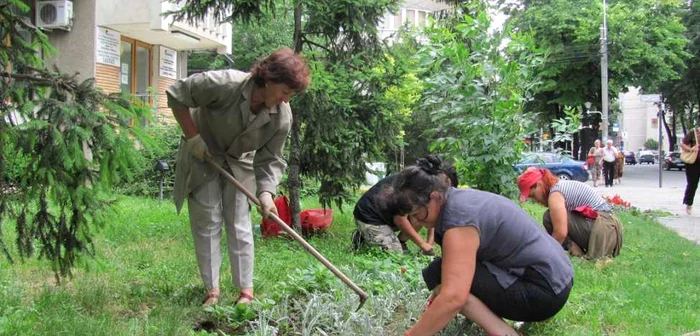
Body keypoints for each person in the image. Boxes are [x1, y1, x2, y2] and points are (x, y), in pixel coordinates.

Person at [167, 47, 311, 306]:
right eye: (285, 92)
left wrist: (266, 194)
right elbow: (177, 95)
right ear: (268, 80)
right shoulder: (224, 84)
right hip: (203, 153)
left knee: (239, 223)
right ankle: (212, 291)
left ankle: (245, 291)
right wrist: (193, 138)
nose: (287, 100)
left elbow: (271, 158)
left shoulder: (282, 115)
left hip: (237, 161)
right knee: (208, 220)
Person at [394, 157, 573, 336]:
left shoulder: (459, 222)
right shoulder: (460, 200)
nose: (416, 221)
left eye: (417, 214)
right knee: (444, 271)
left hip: (545, 292)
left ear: (434, 197)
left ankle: (505, 333)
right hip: (558, 279)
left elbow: (454, 297)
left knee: (444, 281)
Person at [352, 160, 458, 254]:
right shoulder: (416, 186)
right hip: (371, 217)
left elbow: (431, 216)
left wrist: (429, 244)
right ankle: (364, 236)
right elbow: (400, 219)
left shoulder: (431, 187)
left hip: (390, 216)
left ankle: (400, 242)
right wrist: (423, 245)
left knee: (421, 216)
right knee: (395, 255)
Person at [518, 167, 623, 259]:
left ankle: (577, 254)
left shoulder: (555, 194)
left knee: (548, 217)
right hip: (609, 230)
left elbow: (560, 233)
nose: (535, 201)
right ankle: (578, 255)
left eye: (533, 196)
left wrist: (544, 256)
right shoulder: (558, 187)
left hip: (605, 230)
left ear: (538, 185)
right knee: (554, 220)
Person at [681, 127, 700, 214]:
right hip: (693, 163)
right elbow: (683, 144)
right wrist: (691, 149)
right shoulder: (693, 132)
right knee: (692, 184)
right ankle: (688, 204)